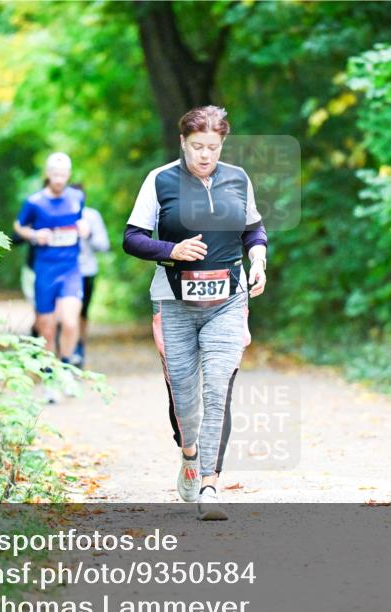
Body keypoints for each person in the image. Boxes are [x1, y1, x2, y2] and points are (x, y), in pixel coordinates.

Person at [122, 105, 268, 521]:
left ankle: (209, 483)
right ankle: (189, 455)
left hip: (228, 298)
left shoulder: (238, 178)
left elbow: (253, 229)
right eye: (198, 146)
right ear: (182, 142)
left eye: (214, 147)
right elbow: (132, 239)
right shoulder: (160, 180)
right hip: (173, 302)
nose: (206, 155)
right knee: (184, 397)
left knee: (218, 388)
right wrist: (172, 250)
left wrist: (257, 259)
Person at [13, 153, 90, 401]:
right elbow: (18, 226)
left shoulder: (76, 197)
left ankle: (65, 368)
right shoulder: (35, 202)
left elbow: (82, 222)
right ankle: (49, 379)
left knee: (70, 322)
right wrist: (34, 235)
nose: (59, 179)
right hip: (44, 270)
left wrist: (84, 228)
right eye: (55, 174)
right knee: (46, 329)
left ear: (69, 174)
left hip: (71, 269)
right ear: (48, 174)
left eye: (63, 174)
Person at [73, 191, 110, 368]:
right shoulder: (58, 215)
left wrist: (88, 235)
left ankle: (79, 349)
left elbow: (104, 245)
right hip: (64, 271)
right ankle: (63, 352)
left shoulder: (92, 216)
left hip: (86, 271)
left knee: (81, 313)